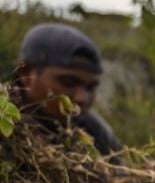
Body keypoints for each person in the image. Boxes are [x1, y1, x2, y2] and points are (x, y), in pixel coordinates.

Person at [11, 23, 121, 155]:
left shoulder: (96, 133)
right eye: (68, 82)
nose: (82, 98)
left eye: (90, 87)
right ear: (27, 74)